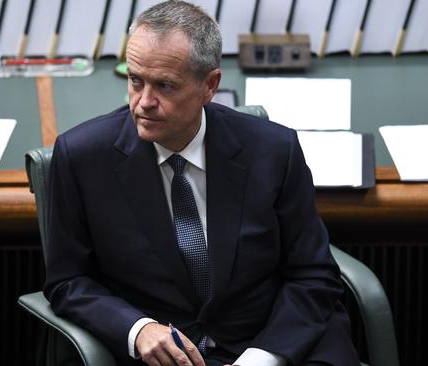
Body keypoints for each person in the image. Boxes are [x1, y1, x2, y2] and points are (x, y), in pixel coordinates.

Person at [44, 1, 358, 365]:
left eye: (164, 85)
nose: (144, 102)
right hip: (165, 356)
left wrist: (265, 357)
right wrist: (137, 329)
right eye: (135, 81)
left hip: (273, 342)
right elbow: (68, 282)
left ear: (210, 86)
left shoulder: (274, 150)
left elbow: (313, 274)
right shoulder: (82, 157)